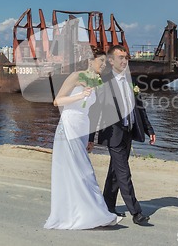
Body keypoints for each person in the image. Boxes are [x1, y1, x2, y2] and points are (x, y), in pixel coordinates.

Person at [44, 50, 121, 230]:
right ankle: (95, 215)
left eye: (106, 63)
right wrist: (80, 95)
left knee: (79, 171)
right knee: (84, 171)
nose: (104, 65)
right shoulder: (76, 76)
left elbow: (95, 108)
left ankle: (86, 212)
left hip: (83, 127)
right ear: (90, 60)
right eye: (101, 61)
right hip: (69, 125)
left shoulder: (97, 80)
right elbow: (57, 101)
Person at [89, 45, 157, 226]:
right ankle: (136, 213)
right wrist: (90, 138)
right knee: (124, 172)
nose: (125, 60)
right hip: (114, 134)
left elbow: (140, 108)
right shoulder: (104, 81)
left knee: (115, 173)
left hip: (129, 131)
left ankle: (107, 206)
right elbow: (95, 110)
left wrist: (149, 129)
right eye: (121, 57)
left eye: (126, 57)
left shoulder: (131, 79)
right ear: (111, 61)